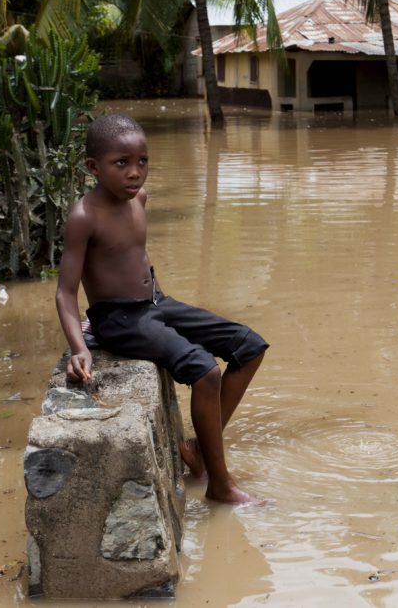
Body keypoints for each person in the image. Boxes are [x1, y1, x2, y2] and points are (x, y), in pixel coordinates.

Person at [55, 113, 268, 505]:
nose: (135, 173)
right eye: (121, 163)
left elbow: (136, 255)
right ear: (93, 167)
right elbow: (66, 292)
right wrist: (78, 348)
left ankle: (200, 448)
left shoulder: (140, 199)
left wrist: (158, 297)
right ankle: (220, 486)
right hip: (118, 318)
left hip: (154, 302)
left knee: (249, 345)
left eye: (142, 161)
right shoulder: (84, 216)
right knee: (205, 371)